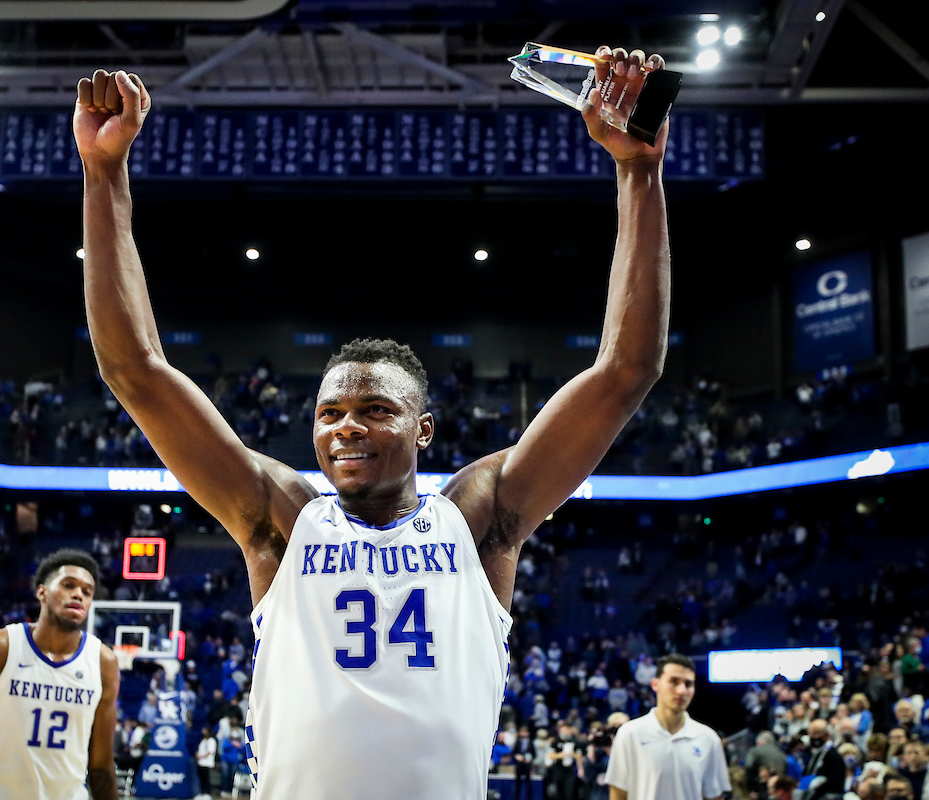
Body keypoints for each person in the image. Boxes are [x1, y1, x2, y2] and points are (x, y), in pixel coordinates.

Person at [76, 39, 671, 799]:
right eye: (328, 413)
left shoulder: (480, 514)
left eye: (373, 411)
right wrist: (103, 177)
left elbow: (626, 372)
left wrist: (638, 173)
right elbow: (136, 373)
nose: (344, 428)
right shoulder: (280, 517)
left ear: (423, 429)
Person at [0, 550, 120, 800]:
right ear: (42, 592)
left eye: (87, 592)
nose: (79, 594)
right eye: (68, 586)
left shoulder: (103, 663)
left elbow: (101, 765)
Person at [605, 654, 731, 800]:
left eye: (688, 684)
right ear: (655, 684)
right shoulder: (629, 734)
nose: (682, 690)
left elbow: (714, 796)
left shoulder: (708, 739)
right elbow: (618, 794)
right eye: (673, 682)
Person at [803, 719, 848, 800]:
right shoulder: (812, 752)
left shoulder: (834, 756)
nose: (812, 736)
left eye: (816, 733)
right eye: (810, 733)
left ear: (826, 735)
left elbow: (836, 782)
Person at [196, 726, 217, 800]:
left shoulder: (211, 740)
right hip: (200, 762)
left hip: (207, 763)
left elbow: (210, 751)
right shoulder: (203, 740)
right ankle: (202, 793)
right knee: (202, 779)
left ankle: (207, 793)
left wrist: (201, 756)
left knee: (206, 779)